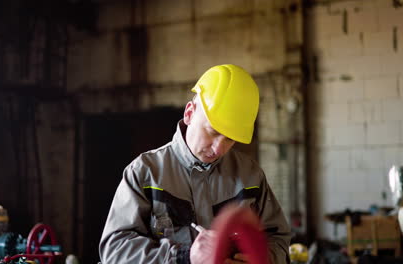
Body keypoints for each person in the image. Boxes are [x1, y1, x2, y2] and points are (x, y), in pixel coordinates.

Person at [99, 64, 291, 264]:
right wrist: (183, 257)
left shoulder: (251, 175)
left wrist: (259, 259)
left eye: (230, 139)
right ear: (189, 113)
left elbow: (278, 240)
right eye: (213, 132)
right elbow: (115, 250)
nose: (218, 149)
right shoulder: (145, 172)